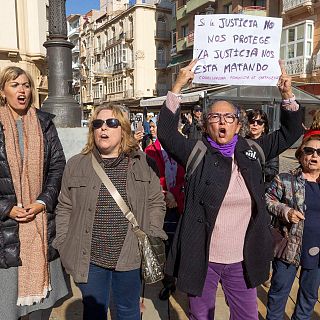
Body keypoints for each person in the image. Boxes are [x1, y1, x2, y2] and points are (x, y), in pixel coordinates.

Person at [157, 60, 303, 320]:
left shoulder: (252, 149)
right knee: (200, 316)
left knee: (246, 316)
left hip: (241, 258)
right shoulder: (196, 151)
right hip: (202, 257)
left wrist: (287, 94)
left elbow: (291, 132)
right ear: (205, 124)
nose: (222, 122)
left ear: (238, 124)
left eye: (229, 117)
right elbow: (166, 134)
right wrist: (178, 85)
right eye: (215, 117)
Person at [53, 104, 167, 320]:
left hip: (130, 256)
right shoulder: (76, 165)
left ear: (123, 129)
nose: (103, 128)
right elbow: (64, 206)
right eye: (97, 124)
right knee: (94, 312)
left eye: (111, 123)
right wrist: (63, 242)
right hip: (90, 257)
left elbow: (156, 202)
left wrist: (152, 234)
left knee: (128, 311)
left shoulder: (144, 164)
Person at [0, 66, 68, 320]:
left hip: (40, 226)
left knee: (41, 309)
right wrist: (7, 208)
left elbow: (57, 167)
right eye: (15, 85)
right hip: (5, 233)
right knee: (6, 308)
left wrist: (42, 201)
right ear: (3, 91)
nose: (22, 90)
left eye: (26, 85)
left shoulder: (44, 123)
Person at [265, 129, 320, 320]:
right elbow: (268, 199)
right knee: (279, 290)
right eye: (309, 151)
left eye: (319, 153)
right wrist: (286, 211)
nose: (314, 156)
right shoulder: (285, 178)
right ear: (300, 154)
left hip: (317, 249)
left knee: (309, 294)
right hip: (289, 246)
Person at [145, 116, 185, 300]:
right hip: (161, 203)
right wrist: (164, 194)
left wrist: (175, 195)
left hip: (181, 203)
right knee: (165, 243)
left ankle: (181, 277)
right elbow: (149, 179)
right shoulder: (150, 150)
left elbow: (189, 176)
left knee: (182, 244)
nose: (152, 130)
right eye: (151, 126)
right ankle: (168, 282)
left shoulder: (184, 147)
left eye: (156, 126)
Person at [246, 109, 279, 188]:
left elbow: (273, 172)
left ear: (264, 127)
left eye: (259, 122)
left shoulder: (269, 144)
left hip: (260, 187)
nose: (255, 124)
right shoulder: (241, 142)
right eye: (252, 121)